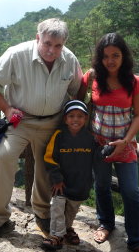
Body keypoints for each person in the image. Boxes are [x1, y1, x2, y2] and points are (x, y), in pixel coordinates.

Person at [0, 18, 82, 240]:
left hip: (52, 121)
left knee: (47, 168)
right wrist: (7, 109)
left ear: (63, 44)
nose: (51, 50)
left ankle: (42, 213)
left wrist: (73, 123)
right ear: (38, 38)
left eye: (57, 46)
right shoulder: (17, 54)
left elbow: (77, 90)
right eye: (47, 44)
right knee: (4, 157)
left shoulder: (69, 59)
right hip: (21, 121)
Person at [77, 33, 139, 252]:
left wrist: (126, 140)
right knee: (101, 185)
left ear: (124, 56)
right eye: (105, 56)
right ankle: (106, 224)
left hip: (125, 144)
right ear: (99, 58)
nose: (110, 61)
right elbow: (77, 103)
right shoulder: (92, 78)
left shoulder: (134, 82)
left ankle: (136, 240)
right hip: (98, 143)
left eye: (115, 55)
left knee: (131, 191)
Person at [42, 99, 98, 250]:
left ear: (85, 119)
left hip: (80, 183)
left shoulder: (90, 138)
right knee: (58, 207)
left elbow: (96, 159)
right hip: (61, 183)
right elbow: (49, 157)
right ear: (65, 119)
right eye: (71, 116)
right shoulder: (59, 136)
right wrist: (56, 178)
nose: (75, 119)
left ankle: (67, 229)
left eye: (80, 116)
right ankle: (56, 236)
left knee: (71, 211)